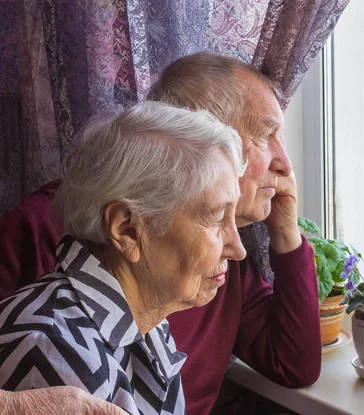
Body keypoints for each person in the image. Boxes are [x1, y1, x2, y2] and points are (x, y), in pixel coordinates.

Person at [0, 52, 322, 414]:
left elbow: (293, 363)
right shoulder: (55, 345)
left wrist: (287, 235)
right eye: (264, 134)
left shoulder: (149, 318)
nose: (238, 249)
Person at [0, 101, 247, 414]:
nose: (238, 248)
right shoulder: (53, 349)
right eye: (214, 218)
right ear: (127, 229)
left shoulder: (143, 324)